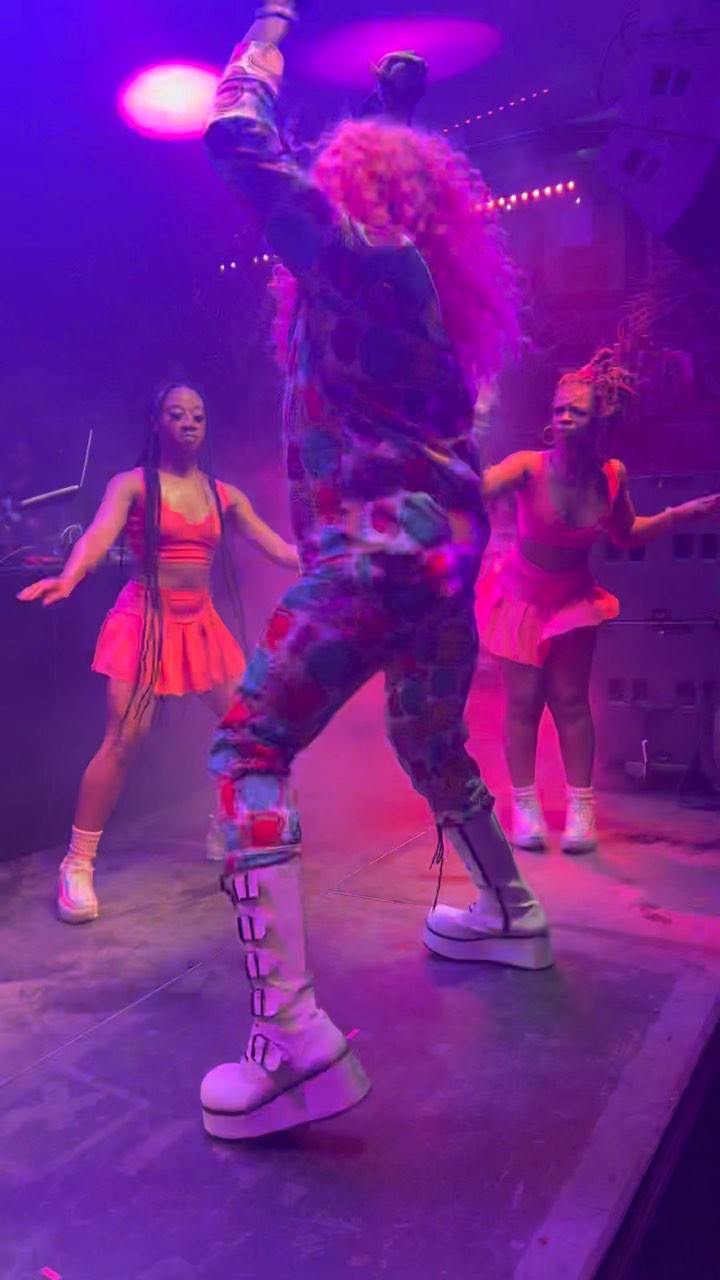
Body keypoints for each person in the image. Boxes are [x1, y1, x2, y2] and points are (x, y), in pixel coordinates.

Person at [198, 1, 551, 1143]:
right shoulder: (418, 283)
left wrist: (265, 35)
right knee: (427, 738)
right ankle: (512, 909)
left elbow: (236, 140)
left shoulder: (354, 256)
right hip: (445, 554)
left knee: (249, 745)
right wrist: (395, 112)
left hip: (379, 552)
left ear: (352, 189)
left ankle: (290, 1041)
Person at [18, 383, 298, 923]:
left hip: (201, 623)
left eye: (198, 415)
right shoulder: (133, 485)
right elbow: (97, 537)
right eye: (177, 414)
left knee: (249, 728)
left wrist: (340, 553)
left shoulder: (225, 495)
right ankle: (77, 864)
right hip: (144, 620)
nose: (190, 422)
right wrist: (69, 578)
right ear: (157, 422)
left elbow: (281, 550)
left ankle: (227, 821)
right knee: (125, 739)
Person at [476, 351, 720, 853]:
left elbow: (627, 534)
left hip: (573, 600)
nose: (564, 416)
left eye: (577, 411)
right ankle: (525, 805)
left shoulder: (611, 475)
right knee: (523, 702)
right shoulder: (528, 466)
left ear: (598, 421)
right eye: (559, 409)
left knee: (570, 701)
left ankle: (580, 806)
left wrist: (683, 514)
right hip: (520, 596)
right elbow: (477, 489)